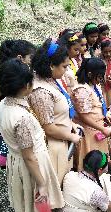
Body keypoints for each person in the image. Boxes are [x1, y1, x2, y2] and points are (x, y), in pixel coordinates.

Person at [0, 59, 64, 212]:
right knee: (37, 210)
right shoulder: (22, 118)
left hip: (16, 162)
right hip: (32, 168)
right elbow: (29, 155)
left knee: (27, 206)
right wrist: (42, 184)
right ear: (26, 86)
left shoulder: (3, 106)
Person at [29, 39, 82, 185]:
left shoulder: (51, 79)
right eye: (64, 66)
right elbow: (48, 128)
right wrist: (71, 136)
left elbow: (58, 112)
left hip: (63, 140)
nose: (66, 70)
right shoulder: (41, 92)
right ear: (51, 65)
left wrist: (71, 124)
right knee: (56, 184)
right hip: (53, 147)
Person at [0, 40, 36, 168]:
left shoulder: (26, 75)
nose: (33, 61)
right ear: (20, 58)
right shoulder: (1, 80)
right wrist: (3, 127)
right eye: (31, 58)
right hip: (12, 127)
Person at [71, 58, 111, 170]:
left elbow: (97, 105)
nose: (101, 80)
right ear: (90, 74)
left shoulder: (94, 86)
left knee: (100, 158)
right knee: (90, 159)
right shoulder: (81, 90)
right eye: (99, 77)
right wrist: (102, 129)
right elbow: (83, 116)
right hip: (89, 131)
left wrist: (105, 115)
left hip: (97, 128)